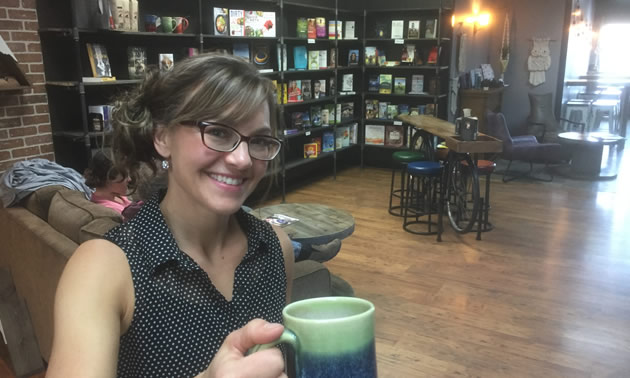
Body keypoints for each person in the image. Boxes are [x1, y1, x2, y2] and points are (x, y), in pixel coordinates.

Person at [47, 53, 294, 378]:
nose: (242, 160)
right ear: (162, 137)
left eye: (259, 140)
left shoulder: (276, 248)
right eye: (218, 132)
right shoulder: (104, 268)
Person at [83, 151, 140, 221]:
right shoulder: (111, 211)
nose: (129, 179)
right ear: (109, 178)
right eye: (125, 176)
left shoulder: (116, 193)